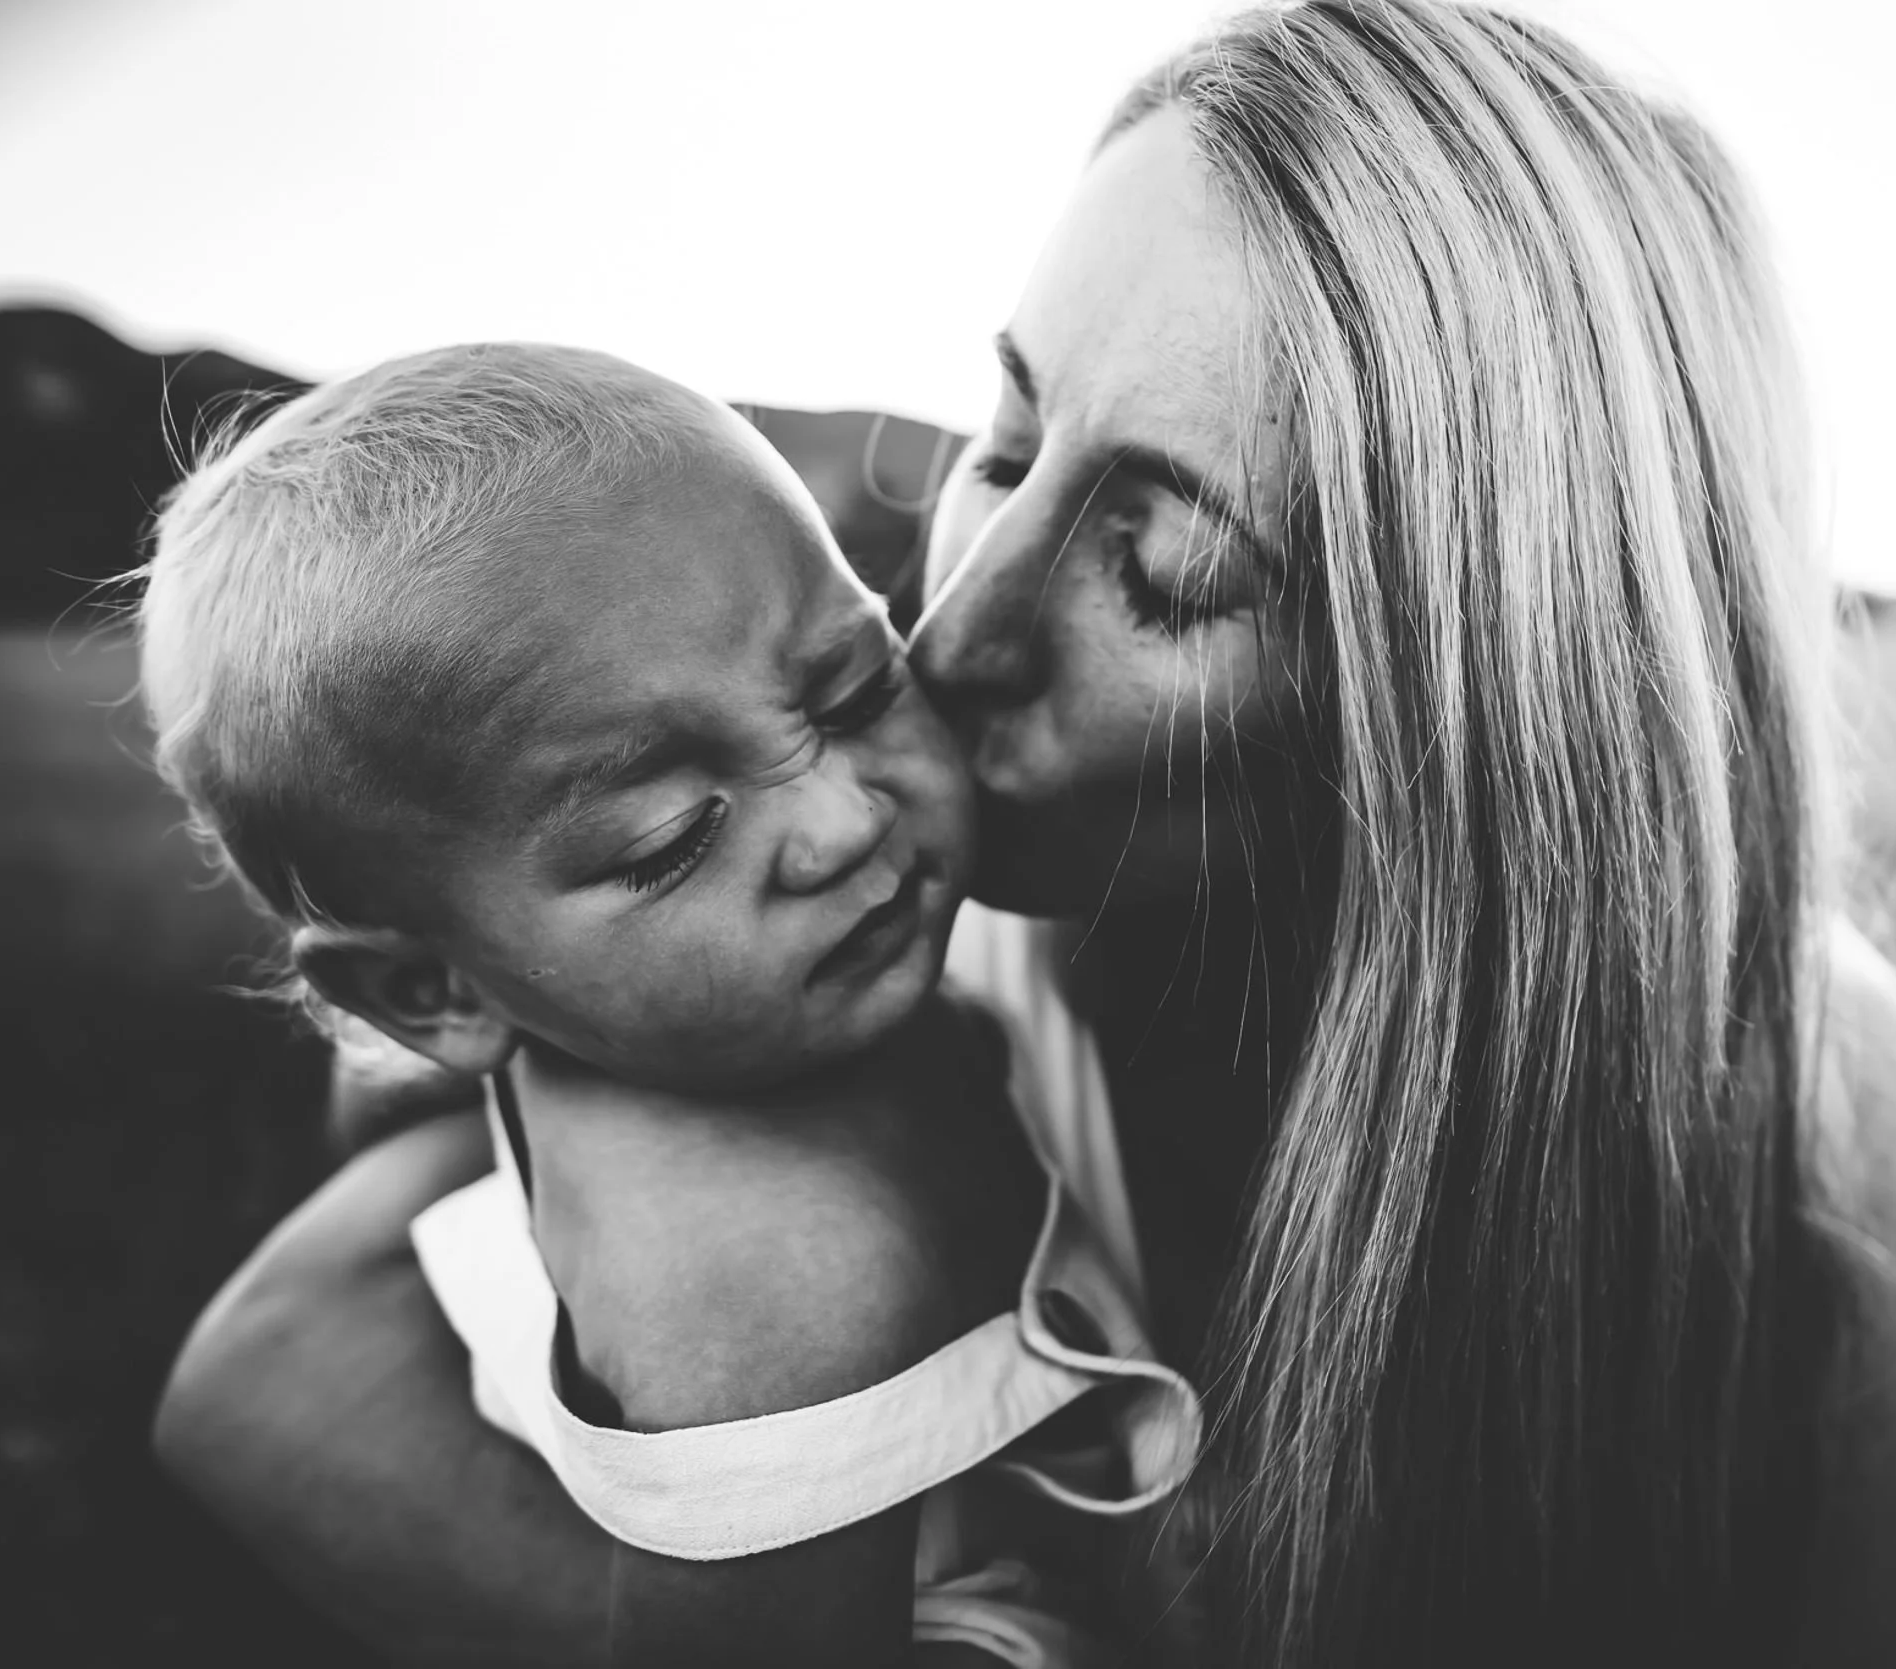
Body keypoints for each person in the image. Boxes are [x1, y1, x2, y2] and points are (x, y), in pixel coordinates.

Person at [155, 4, 1896, 1664]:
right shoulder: (815, 961)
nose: (951, 639)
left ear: (1479, 716)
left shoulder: (1799, 1090)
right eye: (1005, 442)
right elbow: (261, 1372)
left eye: (1169, 569)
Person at [138, 343, 1198, 1665]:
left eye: (855, 687)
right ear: (434, 987)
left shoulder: (633, 1017)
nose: (840, 818)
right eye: (670, 839)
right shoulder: (767, 1291)